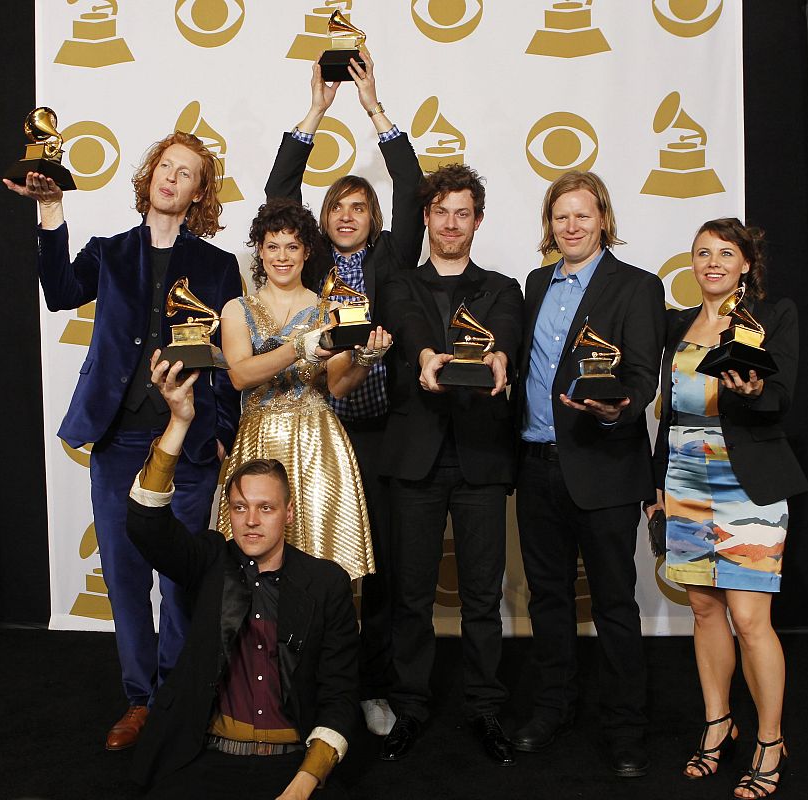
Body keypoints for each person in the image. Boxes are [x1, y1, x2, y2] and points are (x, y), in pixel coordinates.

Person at [4, 132, 242, 750]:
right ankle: (142, 701)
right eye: (166, 166)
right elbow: (58, 293)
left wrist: (222, 433)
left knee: (182, 581)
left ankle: (180, 698)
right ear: (150, 176)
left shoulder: (218, 266)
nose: (172, 178)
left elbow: (228, 359)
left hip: (187, 450)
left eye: (187, 173)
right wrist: (50, 210)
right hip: (116, 445)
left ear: (198, 192)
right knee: (126, 577)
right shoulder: (109, 253)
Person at [265, 50, 424, 736]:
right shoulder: (315, 261)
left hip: (383, 430)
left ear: (374, 218)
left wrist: (374, 108)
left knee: (377, 567)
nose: (348, 215)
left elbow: (414, 188)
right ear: (322, 221)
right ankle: (307, 682)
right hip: (322, 429)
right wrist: (317, 110)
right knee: (315, 561)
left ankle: (373, 687)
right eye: (338, 207)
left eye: (360, 207)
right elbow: (278, 194)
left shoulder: (393, 257)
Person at [127, 354, 359, 799]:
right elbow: (145, 525)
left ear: (289, 513)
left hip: (294, 762)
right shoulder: (210, 560)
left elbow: (340, 696)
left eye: (266, 508)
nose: (250, 520)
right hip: (207, 759)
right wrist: (179, 421)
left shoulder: (326, 583)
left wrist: (304, 783)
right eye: (239, 507)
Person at [648, 218, 808, 799]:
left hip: (748, 482)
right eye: (701, 253)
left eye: (724, 253)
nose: (711, 262)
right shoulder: (675, 326)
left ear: (745, 263)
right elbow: (666, 416)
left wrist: (755, 392)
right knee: (705, 612)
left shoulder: (772, 317)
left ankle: (770, 742)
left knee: (749, 620)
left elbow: (783, 396)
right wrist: (655, 489)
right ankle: (718, 726)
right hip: (685, 478)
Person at [512, 170, 665, 777]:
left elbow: (641, 381)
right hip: (535, 465)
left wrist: (616, 407)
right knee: (548, 601)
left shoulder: (638, 286)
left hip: (603, 467)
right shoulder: (533, 284)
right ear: (548, 224)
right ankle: (555, 708)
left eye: (582, 215)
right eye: (560, 216)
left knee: (614, 605)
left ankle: (626, 729)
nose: (570, 226)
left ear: (604, 219)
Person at [377, 164, 523, 766]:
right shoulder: (399, 283)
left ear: (477, 221)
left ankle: (484, 708)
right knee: (410, 596)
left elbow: (509, 331)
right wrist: (427, 355)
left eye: (463, 213)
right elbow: (408, 327)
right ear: (428, 219)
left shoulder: (503, 287)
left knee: (483, 598)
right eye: (441, 212)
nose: (451, 224)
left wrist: (503, 357)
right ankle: (410, 707)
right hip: (417, 460)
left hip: (481, 459)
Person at [216, 198, 392, 582]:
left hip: (318, 442)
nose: (282, 256)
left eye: (292, 246)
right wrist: (299, 348)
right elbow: (241, 376)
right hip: (258, 438)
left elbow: (338, 385)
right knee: (251, 559)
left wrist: (365, 359)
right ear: (259, 251)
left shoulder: (329, 309)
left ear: (307, 251)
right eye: (273, 246)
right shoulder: (236, 309)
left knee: (320, 555)